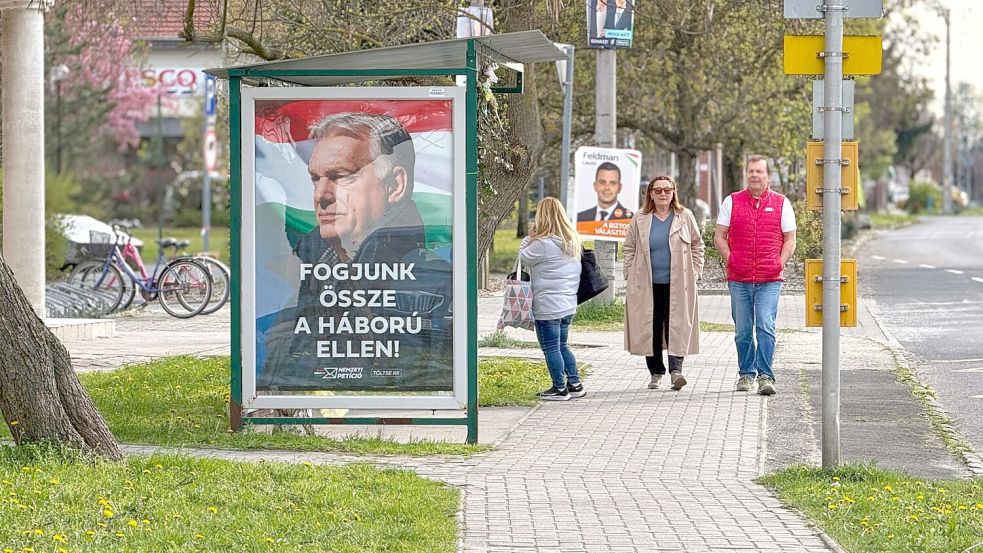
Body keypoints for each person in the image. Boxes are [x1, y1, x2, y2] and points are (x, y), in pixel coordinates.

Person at [259, 112, 452, 390]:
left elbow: (423, 376)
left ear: (395, 186)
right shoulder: (310, 266)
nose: (321, 196)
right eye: (315, 179)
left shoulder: (430, 278)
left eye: (341, 177)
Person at [713, 155, 797, 396]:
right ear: (746, 174)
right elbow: (719, 236)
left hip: (769, 279)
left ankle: (766, 376)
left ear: (767, 176)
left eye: (759, 171)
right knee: (742, 330)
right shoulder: (732, 201)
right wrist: (732, 259)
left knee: (765, 326)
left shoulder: (781, 203)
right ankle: (746, 374)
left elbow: (790, 239)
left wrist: (779, 263)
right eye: (751, 171)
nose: (754, 175)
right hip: (739, 279)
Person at [623, 176, 704, 391]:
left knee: (676, 326)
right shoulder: (640, 218)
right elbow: (629, 247)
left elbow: (697, 245)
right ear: (650, 193)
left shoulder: (684, 216)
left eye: (667, 190)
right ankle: (656, 372)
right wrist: (629, 273)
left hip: (678, 284)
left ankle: (676, 371)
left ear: (673, 192)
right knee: (650, 327)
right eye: (657, 190)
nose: (663, 194)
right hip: (647, 285)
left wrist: (695, 272)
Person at [520, 197, 586, 401]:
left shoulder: (542, 244)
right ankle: (575, 384)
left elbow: (523, 257)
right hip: (568, 304)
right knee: (562, 346)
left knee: (550, 348)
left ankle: (559, 388)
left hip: (548, 306)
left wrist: (528, 238)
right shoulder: (572, 241)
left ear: (541, 216)